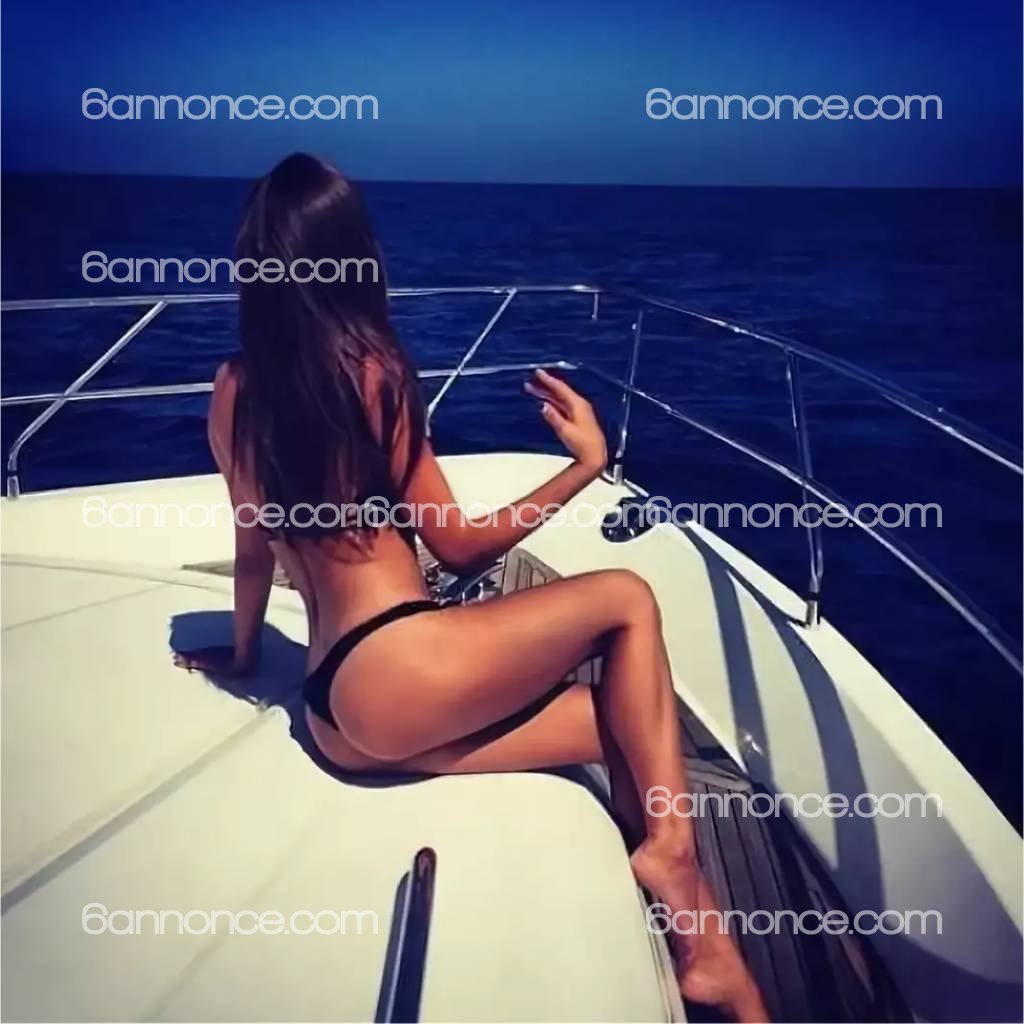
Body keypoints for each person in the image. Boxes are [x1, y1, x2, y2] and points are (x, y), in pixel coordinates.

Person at [174, 153, 767, 1022]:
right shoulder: (374, 372)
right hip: (397, 666)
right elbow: (457, 549)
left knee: (621, 726)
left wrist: (239, 652)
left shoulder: (232, 390)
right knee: (627, 599)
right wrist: (585, 467)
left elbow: (251, 544)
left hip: (335, 722)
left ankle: (709, 957)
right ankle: (674, 854)